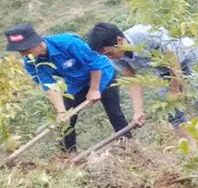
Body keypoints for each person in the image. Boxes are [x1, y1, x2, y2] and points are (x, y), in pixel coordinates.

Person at [87, 22, 198, 149]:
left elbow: (172, 59)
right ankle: (193, 151)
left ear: (119, 41)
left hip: (188, 58)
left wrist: (175, 90)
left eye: (109, 53)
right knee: (172, 111)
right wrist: (138, 111)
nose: (109, 57)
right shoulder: (116, 56)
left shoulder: (146, 35)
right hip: (165, 70)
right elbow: (132, 80)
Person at [5, 24, 129, 152]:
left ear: (36, 43)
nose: (24, 54)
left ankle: (127, 143)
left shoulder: (68, 43)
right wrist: (61, 111)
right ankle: (68, 155)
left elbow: (95, 63)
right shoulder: (32, 62)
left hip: (102, 74)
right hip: (76, 83)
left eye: (25, 50)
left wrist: (94, 89)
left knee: (114, 113)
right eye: (21, 52)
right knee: (65, 121)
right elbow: (49, 86)